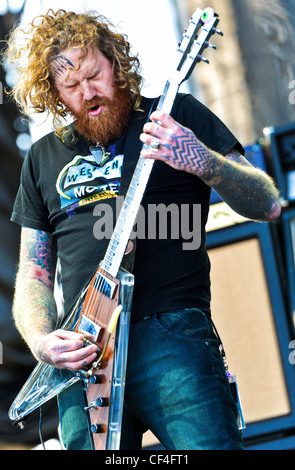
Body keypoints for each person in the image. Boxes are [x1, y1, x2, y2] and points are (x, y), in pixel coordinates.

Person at [4, 9, 281, 450]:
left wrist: (201, 160)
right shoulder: (42, 158)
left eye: (94, 74)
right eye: (71, 86)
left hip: (171, 336)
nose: (88, 93)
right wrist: (40, 340)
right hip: (82, 354)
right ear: (54, 93)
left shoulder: (176, 114)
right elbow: (33, 274)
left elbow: (266, 202)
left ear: (115, 63)